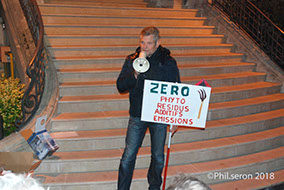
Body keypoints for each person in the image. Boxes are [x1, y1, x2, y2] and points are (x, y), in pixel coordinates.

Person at [117, 26, 180, 190]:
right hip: (137, 115)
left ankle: (154, 187)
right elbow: (121, 85)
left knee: (158, 157)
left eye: (149, 43)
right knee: (128, 156)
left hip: (159, 116)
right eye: (142, 42)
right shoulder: (132, 59)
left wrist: (175, 119)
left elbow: (176, 89)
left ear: (158, 43)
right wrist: (134, 74)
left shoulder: (168, 62)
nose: (144, 47)